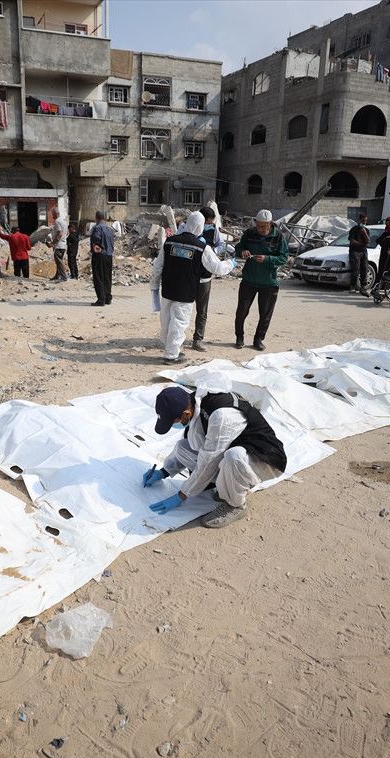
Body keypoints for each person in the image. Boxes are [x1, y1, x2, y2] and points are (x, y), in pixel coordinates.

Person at [144, 384, 288, 528]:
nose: (173, 425)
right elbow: (194, 444)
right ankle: (222, 484)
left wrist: (181, 495)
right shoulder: (193, 402)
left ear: (186, 414)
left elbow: (209, 461)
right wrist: (164, 471)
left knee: (233, 457)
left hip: (264, 458)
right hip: (231, 450)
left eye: (173, 421)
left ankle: (235, 506)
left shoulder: (222, 416)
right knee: (183, 446)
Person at [150, 211, 236, 364]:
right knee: (179, 322)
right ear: (200, 227)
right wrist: (231, 263)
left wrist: (154, 287)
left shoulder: (169, 242)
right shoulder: (201, 247)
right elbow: (217, 268)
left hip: (168, 289)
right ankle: (171, 355)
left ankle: (171, 348)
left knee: (167, 320)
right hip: (186, 291)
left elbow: (158, 266)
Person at [233, 209, 290, 351]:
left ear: (270, 224)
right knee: (241, 312)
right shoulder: (250, 233)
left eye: (263, 226)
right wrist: (243, 252)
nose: (260, 229)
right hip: (248, 280)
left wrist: (268, 259)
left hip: (269, 283)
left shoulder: (278, 237)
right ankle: (239, 337)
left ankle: (258, 339)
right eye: (258, 225)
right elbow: (239, 247)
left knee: (265, 314)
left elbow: (284, 257)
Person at [192, 207, 227, 352]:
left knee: (202, 310)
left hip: (205, 276)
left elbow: (221, 244)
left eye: (211, 223)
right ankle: (176, 338)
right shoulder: (187, 228)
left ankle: (198, 339)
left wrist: (212, 252)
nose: (209, 225)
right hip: (188, 275)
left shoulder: (213, 230)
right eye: (208, 222)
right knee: (182, 309)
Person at [89, 210, 115, 306]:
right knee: (107, 277)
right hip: (109, 255)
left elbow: (96, 239)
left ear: (96, 218)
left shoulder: (97, 228)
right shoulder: (110, 229)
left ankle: (101, 300)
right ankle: (108, 298)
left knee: (99, 277)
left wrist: (94, 246)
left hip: (99, 255)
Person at [347, 214, 371, 294]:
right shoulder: (354, 229)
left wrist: (364, 232)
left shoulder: (366, 230)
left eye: (365, 221)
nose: (364, 222)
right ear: (359, 220)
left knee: (364, 268)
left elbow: (368, 241)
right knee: (355, 269)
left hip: (363, 251)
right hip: (355, 251)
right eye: (363, 221)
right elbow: (352, 241)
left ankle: (363, 287)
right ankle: (353, 286)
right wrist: (362, 244)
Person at [48, 207, 69, 281]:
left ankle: (64, 277)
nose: (52, 216)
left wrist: (52, 243)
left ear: (54, 214)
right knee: (59, 261)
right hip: (63, 245)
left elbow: (60, 234)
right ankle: (57, 275)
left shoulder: (57, 221)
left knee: (59, 262)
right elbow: (66, 233)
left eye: (52, 214)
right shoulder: (64, 221)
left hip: (59, 245)